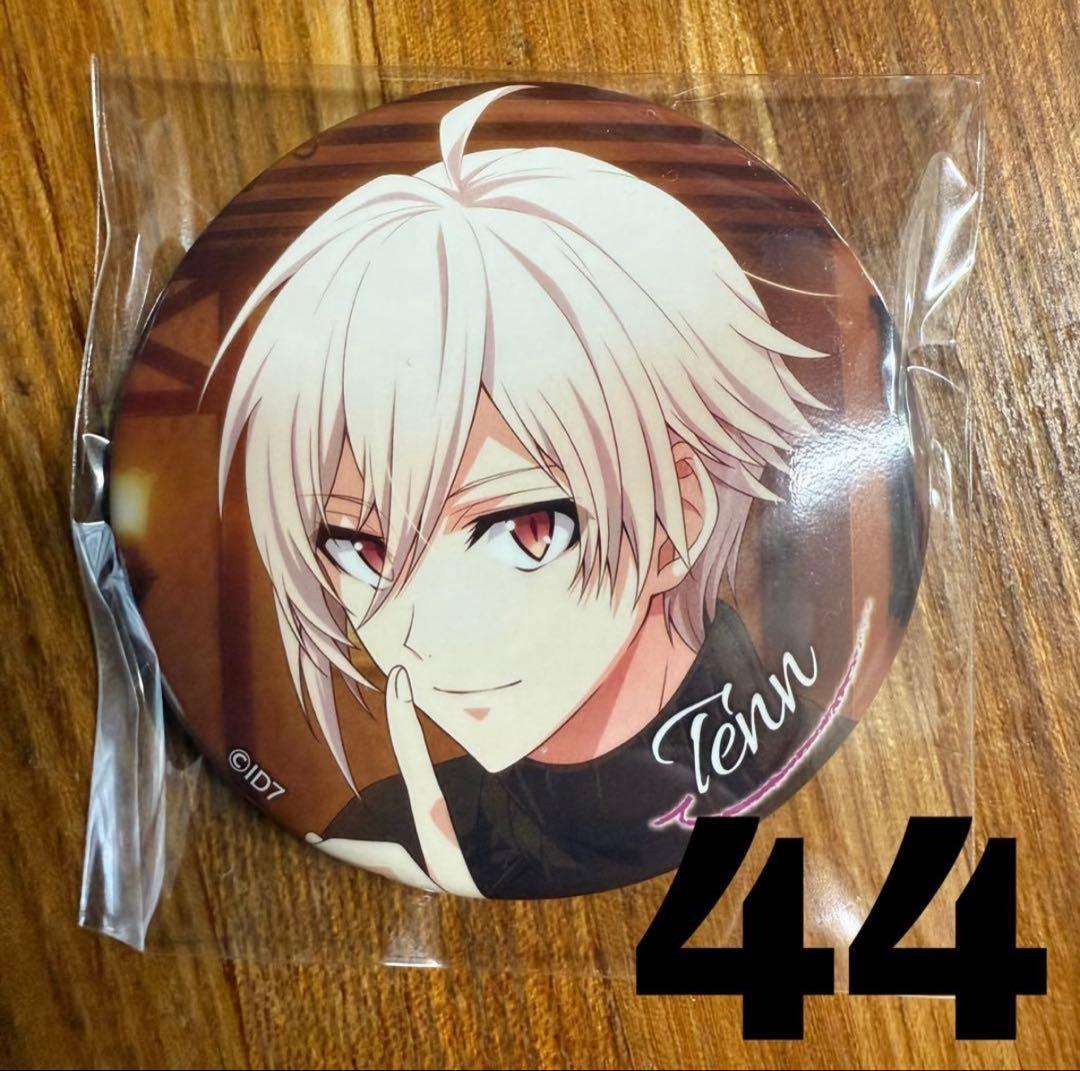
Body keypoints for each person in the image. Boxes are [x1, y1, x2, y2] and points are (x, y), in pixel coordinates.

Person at [209, 85, 828, 897]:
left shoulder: (825, 775)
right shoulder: (393, 836)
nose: (416, 635)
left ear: (679, 514)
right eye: (361, 549)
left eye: (526, 530)